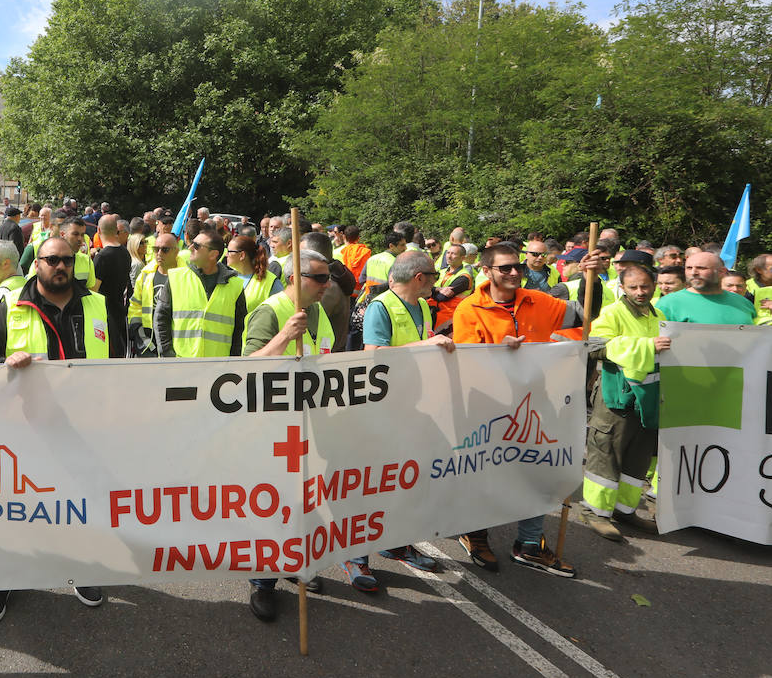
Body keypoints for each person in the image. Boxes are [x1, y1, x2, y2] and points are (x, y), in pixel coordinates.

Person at [0, 235, 118, 623]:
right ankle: (5, 578)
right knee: (14, 506)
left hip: (82, 426)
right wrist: (7, 361)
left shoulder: (99, 305)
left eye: (67, 260)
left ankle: (82, 568)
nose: (60, 266)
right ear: (36, 263)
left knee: (81, 502)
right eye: (52, 259)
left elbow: (120, 364)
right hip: (24, 426)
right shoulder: (12, 306)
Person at [452, 243, 603, 578]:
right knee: (486, 474)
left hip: (536, 404)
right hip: (488, 408)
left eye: (516, 266)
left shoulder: (538, 300)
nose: (513, 273)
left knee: (538, 470)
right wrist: (499, 353)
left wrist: (593, 276)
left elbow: (584, 313)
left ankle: (530, 544)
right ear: (487, 271)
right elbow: (466, 362)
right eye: (504, 268)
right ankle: (475, 534)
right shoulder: (469, 309)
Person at [346, 250, 454, 590]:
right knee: (371, 484)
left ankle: (395, 543)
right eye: (434, 276)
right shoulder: (382, 306)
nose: (437, 282)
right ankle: (355, 556)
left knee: (405, 481)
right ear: (420, 277)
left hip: (412, 406)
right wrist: (428, 345)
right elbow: (372, 358)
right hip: (382, 411)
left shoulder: (422, 306)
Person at [240, 251, 334, 620]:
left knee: (305, 500)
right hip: (275, 427)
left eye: (329, 279)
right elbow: (248, 367)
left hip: (309, 422)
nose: (327, 285)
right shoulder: (271, 311)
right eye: (320, 278)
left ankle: (293, 561)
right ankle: (263, 582)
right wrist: (284, 336)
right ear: (296, 277)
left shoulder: (318, 311)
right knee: (276, 504)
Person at [581, 263, 668, 541]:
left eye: (645, 286)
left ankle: (624, 510)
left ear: (654, 285)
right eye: (633, 287)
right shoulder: (613, 312)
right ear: (623, 288)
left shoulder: (660, 314)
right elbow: (594, 346)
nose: (640, 292)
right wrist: (646, 347)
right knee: (607, 452)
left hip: (648, 398)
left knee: (638, 456)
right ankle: (595, 512)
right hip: (616, 397)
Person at [155, 225, 246, 358]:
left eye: (197, 246)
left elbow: (240, 330)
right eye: (192, 244)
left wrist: (232, 361)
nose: (190, 248)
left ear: (213, 254)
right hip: (181, 365)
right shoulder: (176, 277)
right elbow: (160, 319)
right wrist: (168, 356)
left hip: (218, 369)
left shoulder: (235, 285)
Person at [654, 251, 756, 325]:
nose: (693, 273)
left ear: (722, 272)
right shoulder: (668, 304)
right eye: (689, 268)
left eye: (701, 268)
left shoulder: (743, 303)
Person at [128, 232, 180, 357]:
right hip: (148, 341)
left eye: (165, 250)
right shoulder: (145, 275)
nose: (159, 253)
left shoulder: (185, 276)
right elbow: (135, 306)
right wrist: (139, 334)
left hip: (176, 340)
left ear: (176, 252)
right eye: (156, 249)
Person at [91, 214, 132, 357]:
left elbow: (93, 290)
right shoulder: (125, 253)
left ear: (98, 231)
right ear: (116, 230)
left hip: (105, 316)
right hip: (120, 311)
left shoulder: (102, 257)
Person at [226, 234, 282, 327]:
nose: (226, 254)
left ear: (242, 255)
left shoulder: (271, 282)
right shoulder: (227, 278)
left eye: (229, 251)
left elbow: (281, 311)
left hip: (258, 338)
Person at [431, 243, 475, 332]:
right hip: (437, 313)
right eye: (448, 253)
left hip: (451, 319)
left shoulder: (464, 277)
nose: (449, 256)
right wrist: (436, 289)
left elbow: (442, 297)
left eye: (453, 254)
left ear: (462, 258)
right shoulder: (442, 271)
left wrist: (430, 291)